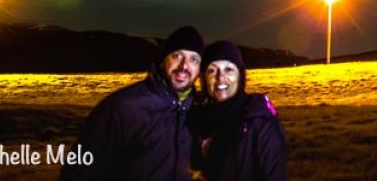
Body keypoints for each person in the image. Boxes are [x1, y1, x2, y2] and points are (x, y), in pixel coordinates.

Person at [60, 25, 205, 181]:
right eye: (177, 56)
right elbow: (79, 169)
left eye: (193, 59)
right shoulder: (121, 107)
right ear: (163, 60)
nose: (184, 66)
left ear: (199, 69)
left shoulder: (202, 110)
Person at [188, 40, 287, 180]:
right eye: (212, 70)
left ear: (240, 76)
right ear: (203, 78)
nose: (220, 77)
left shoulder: (258, 120)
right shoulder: (194, 119)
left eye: (228, 69)